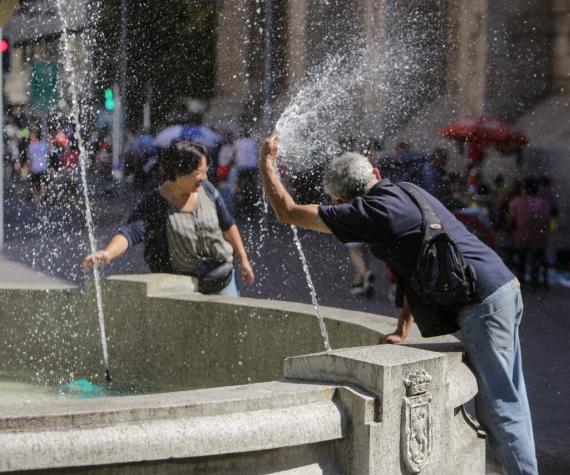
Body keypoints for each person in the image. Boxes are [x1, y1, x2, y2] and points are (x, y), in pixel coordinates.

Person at [258, 132, 537, 474]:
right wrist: (402, 328)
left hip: (481, 302)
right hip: (501, 285)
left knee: (500, 409)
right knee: (513, 399)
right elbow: (418, 265)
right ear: (374, 172)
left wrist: (267, 164)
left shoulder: (370, 213)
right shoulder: (405, 190)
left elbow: (287, 212)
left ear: (342, 200)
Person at [82, 140, 255, 296]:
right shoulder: (156, 202)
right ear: (179, 173)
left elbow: (228, 224)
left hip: (222, 279)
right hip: (182, 288)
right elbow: (130, 233)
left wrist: (243, 258)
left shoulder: (208, 190)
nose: (205, 177)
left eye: (205, 172)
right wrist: (108, 253)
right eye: (199, 173)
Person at [507, 177, 551, 289]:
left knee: (521, 257)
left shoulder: (516, 201)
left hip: (521, 239)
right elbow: (547, 222)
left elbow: (510, 221)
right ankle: (534, 280)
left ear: (523, 189)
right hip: (540, 240)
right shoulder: (544, 203)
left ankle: (520, 279)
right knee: (536, 258)